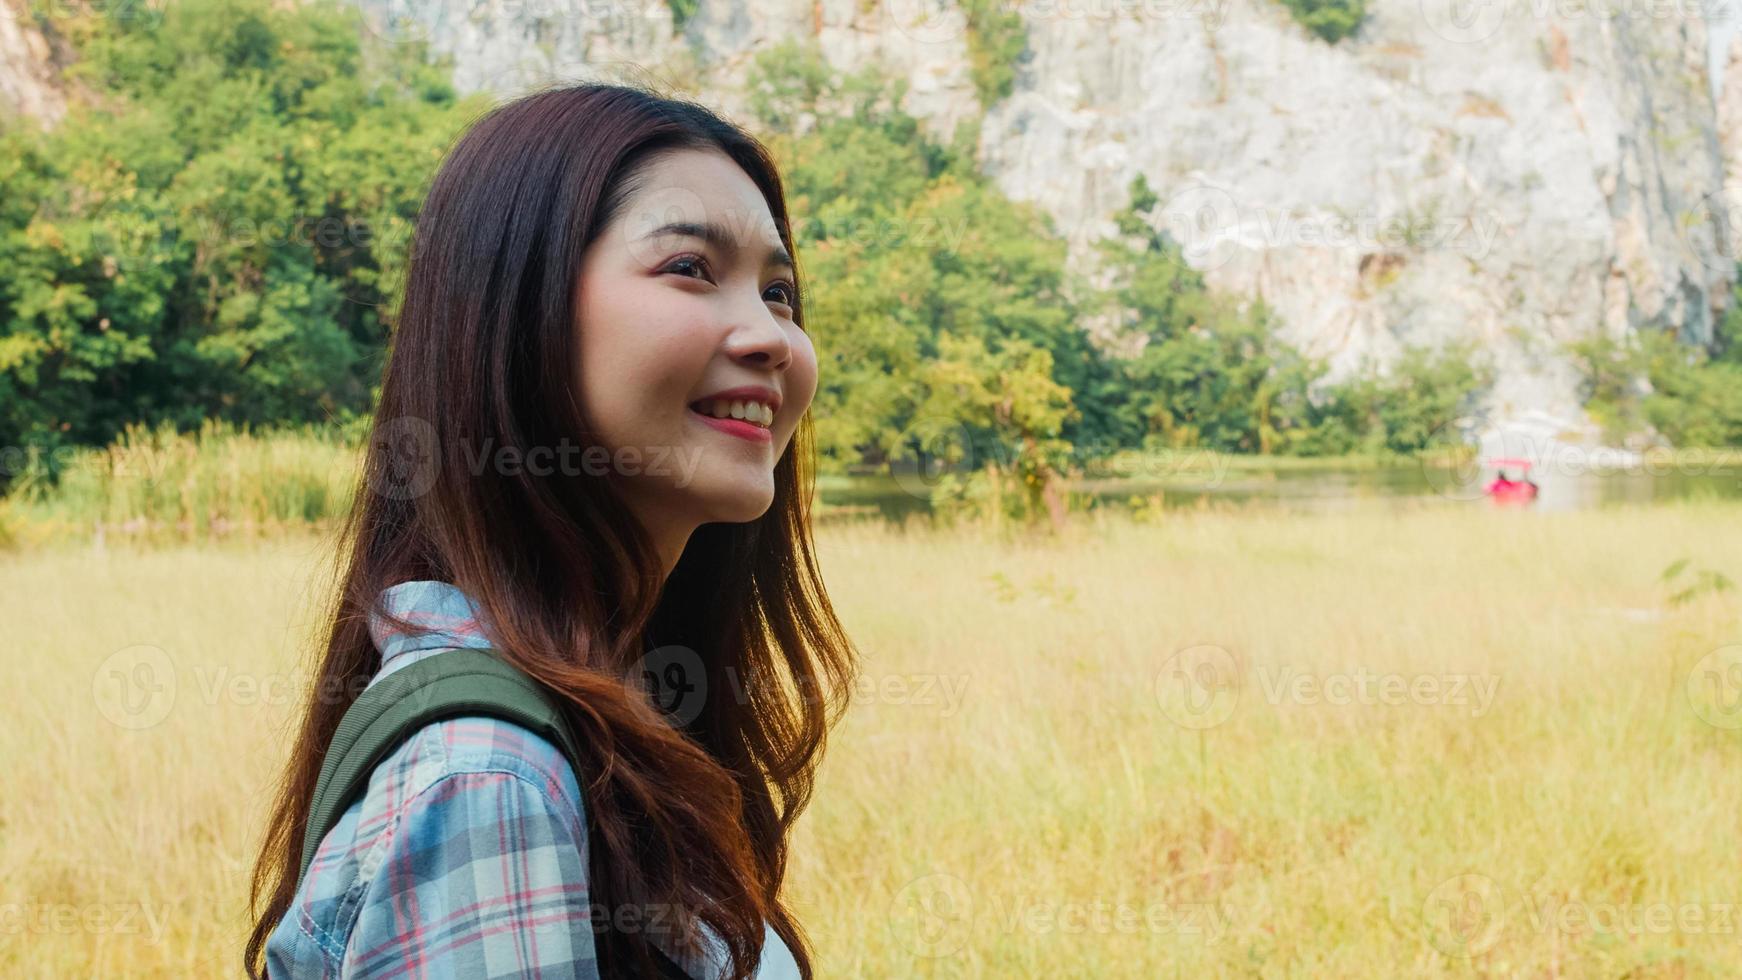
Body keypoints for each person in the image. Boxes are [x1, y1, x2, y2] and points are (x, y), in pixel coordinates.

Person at [244, 83, 859, 979]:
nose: (769, 336)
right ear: (517, 313)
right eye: (691, 267)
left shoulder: (599, 710)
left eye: (779, 291)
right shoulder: (489, 777)